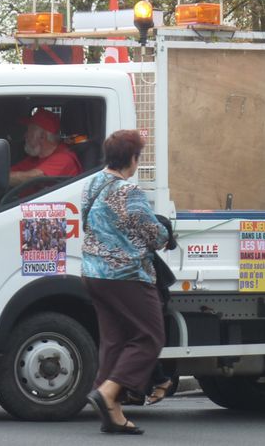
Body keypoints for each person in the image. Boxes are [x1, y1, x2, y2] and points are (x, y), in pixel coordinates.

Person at [82, 129, 170, 436]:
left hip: (94, 273)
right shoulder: (128, 192)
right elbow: (155, 235)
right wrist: (166, 231)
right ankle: (108, 392)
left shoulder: (92, 184)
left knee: (116, 339)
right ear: (132, 159)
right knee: (150, 337)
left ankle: (112, 410)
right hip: (127, 276)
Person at [9, 109, 82, 185]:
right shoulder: (35, 157)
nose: (25, 136)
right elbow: (10, 172)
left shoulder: (64, 158)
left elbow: (33, 178)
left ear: (42, 136)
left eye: (28, 131)